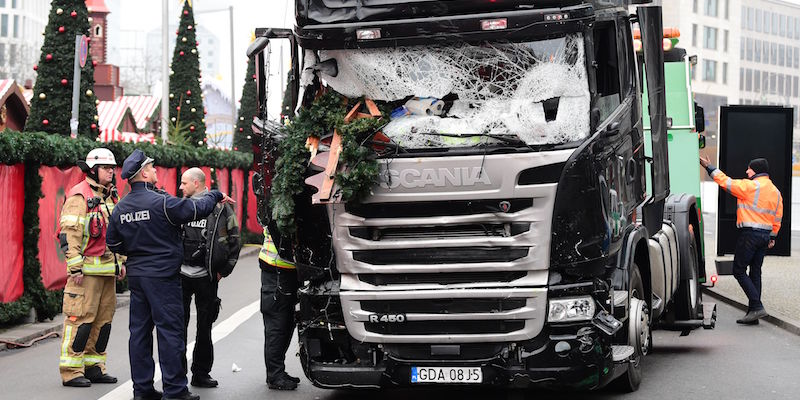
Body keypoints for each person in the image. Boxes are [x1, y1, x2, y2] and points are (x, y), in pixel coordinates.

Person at [106, 150, 234, 400]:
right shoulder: (162, 203)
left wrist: (137, 251)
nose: (155, 171)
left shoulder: (121, 208)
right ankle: (175, 390)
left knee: (139, 334)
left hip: (138, 277)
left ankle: (142, 390)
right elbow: (198, 209)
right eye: (152, 167)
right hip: (163, 277)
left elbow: (113, 242)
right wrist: (216, 193)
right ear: (144, 173)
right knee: (170, 332)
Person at [58, 148, 126, 388]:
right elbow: (69, 235)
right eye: (107, 168)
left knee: (103, 321)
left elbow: (117, 234)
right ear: (93, 170)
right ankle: (71, 370)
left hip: (107, 272)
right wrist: (75, 268)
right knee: (80, 321)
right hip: (85, 274)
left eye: (113, 168)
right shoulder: (79, 195)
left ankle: (94, 366)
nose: (111, 171)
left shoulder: (111, 196)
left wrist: (121, 263)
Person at [700, 155, 784, 325]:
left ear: (757, 171)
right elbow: (778, 216)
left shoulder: (751, 186)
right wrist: (773, 236)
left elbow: (726, 182)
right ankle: (753, 312)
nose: (747, 171)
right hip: (765, 236)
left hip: (750, 235)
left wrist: (709, 167)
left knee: (738, 270)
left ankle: (757, 306)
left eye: (749, 168)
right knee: (755, 272)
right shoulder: (775, 191)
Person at [179, 168, 241, 388]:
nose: (180, 187)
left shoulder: (221, 207)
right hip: (181, 277)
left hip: (207, 278)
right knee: (178, 328)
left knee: (204, 328)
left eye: (184, 183)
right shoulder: (181, 205)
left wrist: (224, 270)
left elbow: (234, 240)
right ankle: (177, 376)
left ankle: (201, 373)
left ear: (197, 183)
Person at [259, 227, 301, 390]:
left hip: (286, 269)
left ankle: (278, 371)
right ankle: (275, 376)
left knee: (287, 322)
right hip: (276, 269)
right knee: (277, 325)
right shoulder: (279, 208)